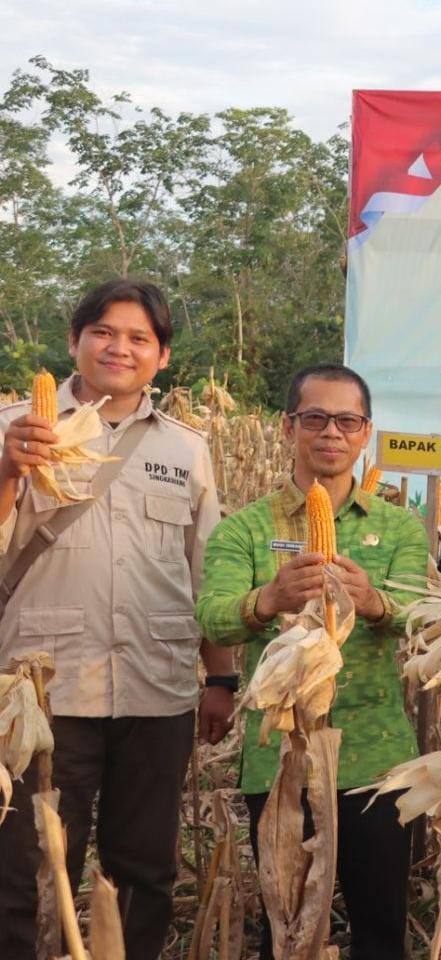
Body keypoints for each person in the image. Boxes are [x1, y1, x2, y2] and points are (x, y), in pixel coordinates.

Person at [0, 279, 229, 960]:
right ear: (74, 340)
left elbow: (205, 570)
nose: (119, 348)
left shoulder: (187, 449)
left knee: (144, 871)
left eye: (139, 338)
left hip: (153, 689)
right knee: (31, 870)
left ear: (162, 357)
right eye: (104, 332)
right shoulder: (13, 429)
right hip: (41, 694)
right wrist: (6, 471)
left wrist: (221, 677)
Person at [196, 363, 428, 959]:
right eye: (315, 418)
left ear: (364, 432)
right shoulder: (245, 530)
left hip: (376, 760)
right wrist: (268, 599)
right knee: (290, 928)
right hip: (282, 762)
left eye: (346, 420)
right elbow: (213, 618)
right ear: (287, 426)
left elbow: (423, 617)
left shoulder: (399, 527)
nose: (331, 432)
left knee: (380, 930)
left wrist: (374, 602)